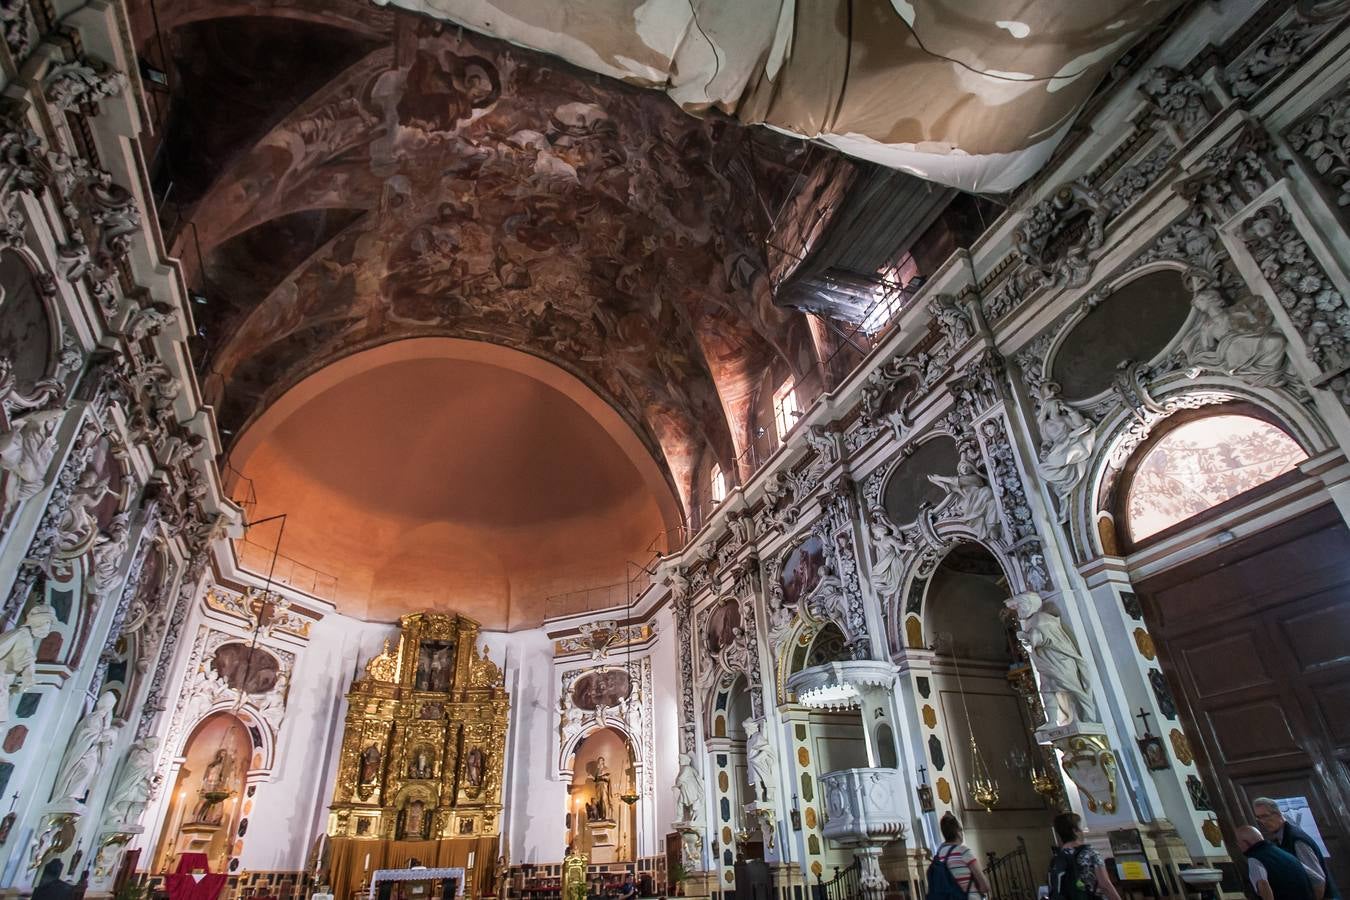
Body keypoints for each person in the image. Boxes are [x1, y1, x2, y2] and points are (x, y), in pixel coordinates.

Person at [1254, 798, 1338, 900]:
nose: (1262, 822)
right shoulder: (1279, 838)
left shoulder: (1296, 840)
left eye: (1265, 816)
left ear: (1278, 814)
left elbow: (1318, 880)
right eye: (1259, 818)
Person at [1048, 812, 1121, 900]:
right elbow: (1104, 885)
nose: (1083, 832)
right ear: (1074, 831)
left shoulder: (1056, 858)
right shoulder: (1089, 852)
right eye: (1081, 828)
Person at [1237, 825, 1322, 900]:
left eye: (1239, 843)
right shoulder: (1285, 854)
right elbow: (1318, 880)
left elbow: (1263, 884)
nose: (1238, 846)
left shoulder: (1255, 859)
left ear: (1245, 843)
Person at [935, 813, 991, 898]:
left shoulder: (939, 855)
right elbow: (984, 885)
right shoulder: (963, 851)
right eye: (961, 830)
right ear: (957, 832)